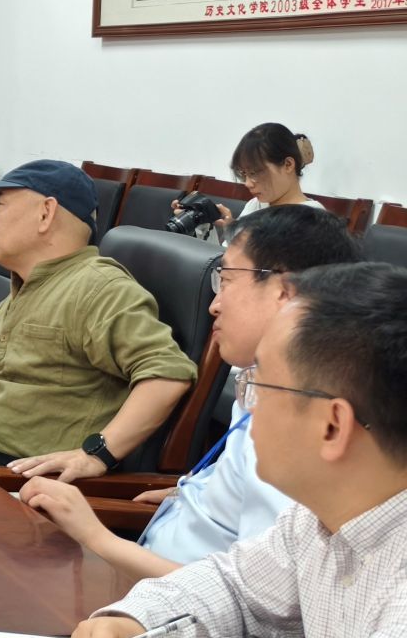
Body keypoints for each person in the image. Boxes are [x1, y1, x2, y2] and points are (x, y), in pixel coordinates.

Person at [69, 264, 407, 638]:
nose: (247, 407)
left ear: (333, 425)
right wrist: (135, 619)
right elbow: (235, 587)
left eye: (261, 384)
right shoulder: (320, 515)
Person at [19, 208, 361, 573]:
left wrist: (95, 537)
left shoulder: (301, 423)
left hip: (172, 597)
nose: (214, 305)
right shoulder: (262, 382)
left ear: (284, 292)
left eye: (225, 281)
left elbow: (253, 596)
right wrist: (199, 491)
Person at [0, 160, 195, 480]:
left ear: (45, 213)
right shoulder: (24, 289)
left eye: (0, 207)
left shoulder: (100, 288)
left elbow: (168, 374)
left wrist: (97, 454)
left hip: (12, 479)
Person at [176, 122, 326, 229]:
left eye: (255, 173)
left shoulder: (311, 217)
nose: (248, 183)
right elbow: (224, 259)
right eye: (244, 174)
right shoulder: (256, 204)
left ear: (288, 165)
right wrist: (202, 223)